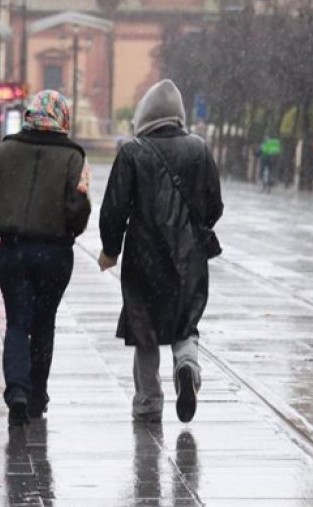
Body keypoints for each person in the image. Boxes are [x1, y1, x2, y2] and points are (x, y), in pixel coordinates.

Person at [98, 79, 223, 424]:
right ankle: (187, 367)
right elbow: (214, 206)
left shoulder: (132, 151)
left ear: (145, 115)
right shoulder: (199, 149)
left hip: (143, 255)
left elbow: (114, 209)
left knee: (145, 327)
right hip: (190, 256)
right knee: (185, 322)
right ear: (179, 115)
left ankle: (149, 401)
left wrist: (110, 249)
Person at [0, 90, 91, 427]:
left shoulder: (6, 150)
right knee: (44, 323)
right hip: (54, 252)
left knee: (17, 322)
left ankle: (17, 392)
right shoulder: (74, 158)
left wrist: (2, 214)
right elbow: (78, 207)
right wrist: (70, 228)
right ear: (61, 117)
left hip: (13, 249)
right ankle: (38, 395)